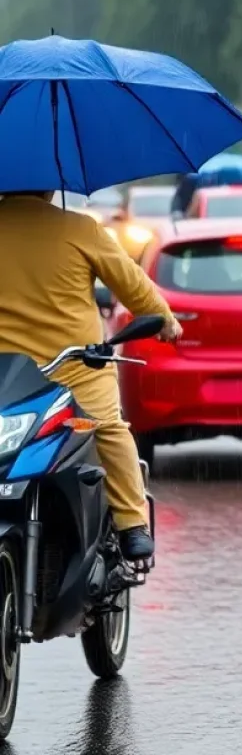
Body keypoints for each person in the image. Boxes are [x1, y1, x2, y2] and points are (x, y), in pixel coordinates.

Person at [0, 191, 183, 560]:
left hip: (8, 378)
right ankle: (133, 525)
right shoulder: (81, 229)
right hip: (78, 369)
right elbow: (136, 288)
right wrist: (166, 321)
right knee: (109, 430)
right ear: (51, 187)